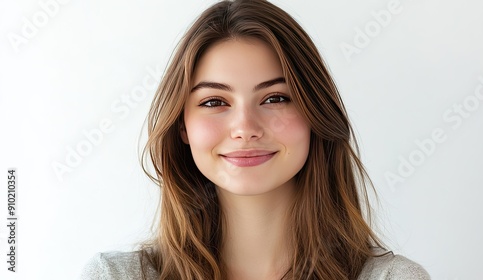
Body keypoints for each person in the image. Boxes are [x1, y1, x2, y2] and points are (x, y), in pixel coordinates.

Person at [81, 0, 430, 279]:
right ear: (182, 127)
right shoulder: (115, 277)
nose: (245, 127)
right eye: (215, 102)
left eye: (275, 98)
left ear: (315, 114)